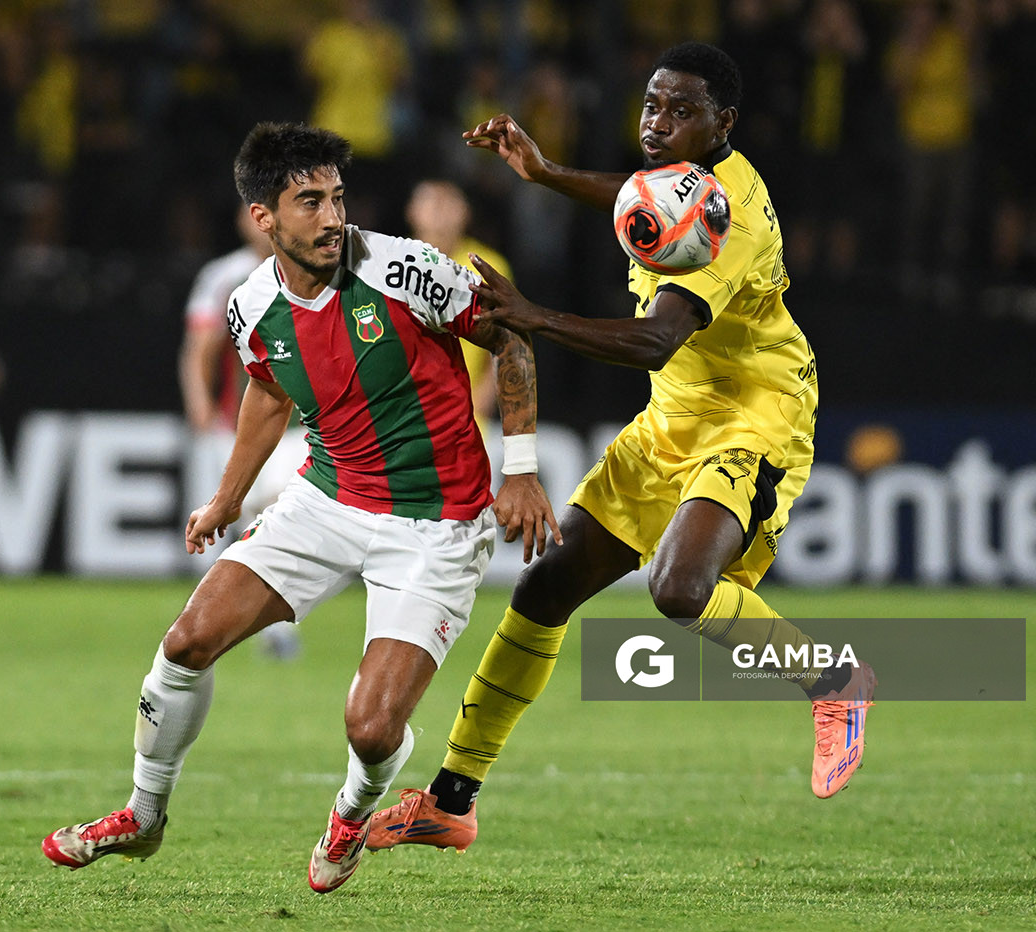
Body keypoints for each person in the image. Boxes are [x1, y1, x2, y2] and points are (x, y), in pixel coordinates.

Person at [366, 42, 876, 855]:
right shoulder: (680, 182)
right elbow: (635, 198)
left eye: (681, 111)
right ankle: (450, 800)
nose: (658, 123)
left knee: (678, 588)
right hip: (674, 417)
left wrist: (531, 315)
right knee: (545, 586)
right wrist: (545, 172)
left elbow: (651, 341)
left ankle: (836, 679)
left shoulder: (730, 219)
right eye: (651, 105)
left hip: (755, 412)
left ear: (725, 124)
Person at [40, 122, 561, 893]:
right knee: (187, 641)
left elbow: (511, 338)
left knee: (372, 726)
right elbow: (268, 389)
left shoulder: (407, 269)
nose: (330, 218)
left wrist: (520, 469)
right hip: (325, 498)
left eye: (338, 198)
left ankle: (352, 811)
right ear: (264, 219)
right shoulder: (251, 307)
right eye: (308, 201)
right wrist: (228, 495)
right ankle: (144, 814)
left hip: (436, 523)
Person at [177, 201, 301, 658]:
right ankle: (203, 620)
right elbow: (201, 346)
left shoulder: (310, 269)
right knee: (218, 519)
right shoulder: (224, 277)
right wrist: (201, 406)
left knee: (270, 515)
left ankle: (273, 627)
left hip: (295, 426)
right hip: (232, 423)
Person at [404, 179, 512, 424]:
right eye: (432, 201)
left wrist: (484, 399)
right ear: (411, 211)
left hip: (465, 414)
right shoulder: (394, 264)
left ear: (466, 213)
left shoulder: (488, 266)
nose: (440, 211)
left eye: (450, 203)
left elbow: (507, 340)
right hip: (404, 413)